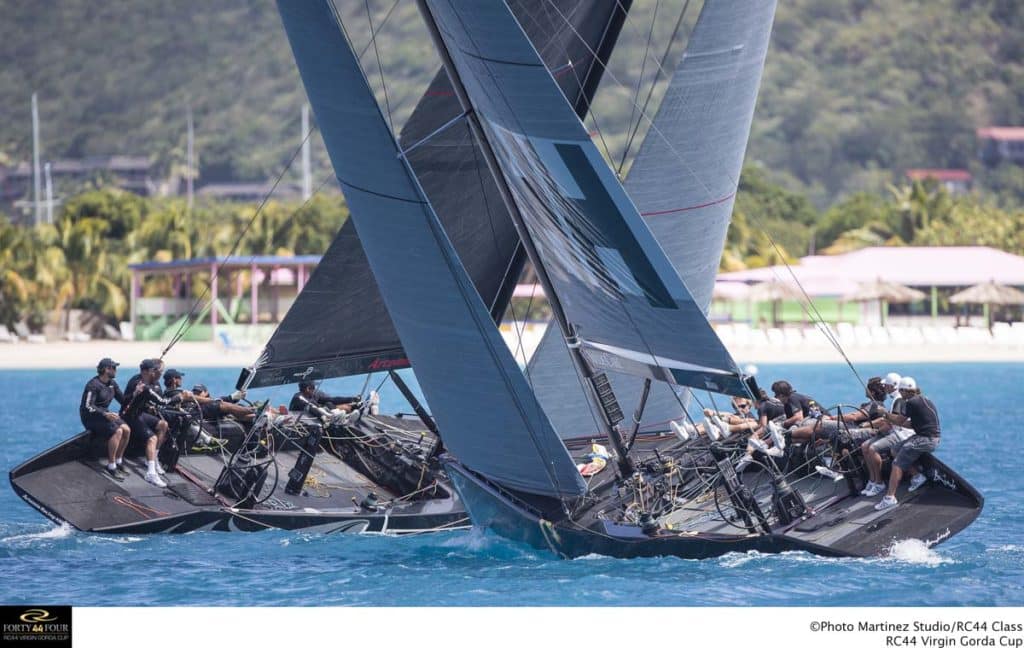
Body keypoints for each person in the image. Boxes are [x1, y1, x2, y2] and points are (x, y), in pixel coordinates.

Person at [874, 377, 941, 510]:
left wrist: (885, 414)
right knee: (895, 449)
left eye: (901, 391)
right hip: (927, 436)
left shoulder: (911, 402)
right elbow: (912, 424)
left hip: (926, 439)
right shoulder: (923, 399)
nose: (900, 394)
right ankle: (917, 476)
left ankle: (890, 498)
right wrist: (893, 420)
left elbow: (899, 420)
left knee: (897, 463)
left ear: (905, 391)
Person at [79, 357, 130, 481]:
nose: (116, 370)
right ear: (107, 369)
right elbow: (87, 406)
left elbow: (123, 400)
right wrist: (104, 414)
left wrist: (137, 393)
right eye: (114, 368)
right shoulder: (93, 385)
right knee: (118, 431)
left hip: (105, 414)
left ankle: (118, 460)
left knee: (126, 429)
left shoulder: (112, 384)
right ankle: (111, 466)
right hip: (91, 417)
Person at [123, 358, 169, 487]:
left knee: (163, 425)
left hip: (140, 414)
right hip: (129, 417)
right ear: (150, 371)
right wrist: (180, 397)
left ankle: (154, 458)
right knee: (152, 438)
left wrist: (148, 406)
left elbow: (155, 398)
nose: (159, 375)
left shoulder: (151, 383)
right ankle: (151, 473)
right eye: (158, 372)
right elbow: (163, 401)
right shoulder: (140, 385)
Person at [191, 383, 257, 422]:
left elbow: (216, 401)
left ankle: (255, 415)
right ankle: (254, 411)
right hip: (205, 415)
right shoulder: (193, 402)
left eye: (199, 392)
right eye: (195, 393)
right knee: (222, 405)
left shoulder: (209, 400)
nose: (196, 394)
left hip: (216, 414)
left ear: (206, 393)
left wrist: (234, 398)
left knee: (238, 412)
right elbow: (216, 403)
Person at [288, 380, 362, 413]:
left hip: (318, 416)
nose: (315, 389)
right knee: (328, 405)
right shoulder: (298, 398)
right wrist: (339, 407)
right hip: (303, 423)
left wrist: (351, 399)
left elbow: (332, 399)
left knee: (329, 403)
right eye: (313, 387)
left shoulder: (315, 394)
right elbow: (315, 407)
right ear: (308, 389)